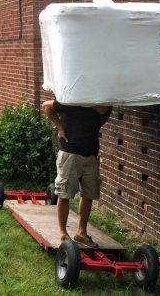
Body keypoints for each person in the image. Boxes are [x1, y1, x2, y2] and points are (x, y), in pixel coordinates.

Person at [42, 100, 112, 248]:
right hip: (70, 152)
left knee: (88, 195)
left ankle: (81, 232)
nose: (104, 107)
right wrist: (60, 128)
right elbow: (47, 106)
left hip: (91, 155)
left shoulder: (107, 105)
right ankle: (63, 233)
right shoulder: (75, 100)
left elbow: (103, 115)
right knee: (64, 193)